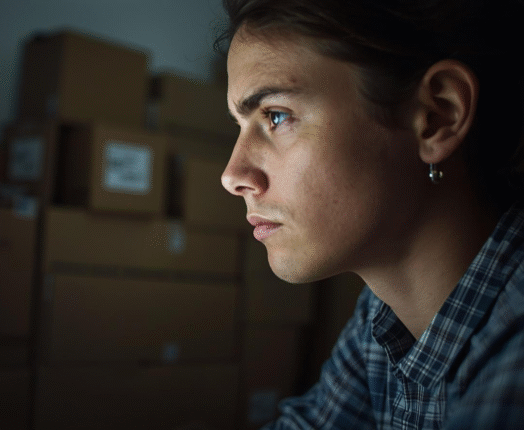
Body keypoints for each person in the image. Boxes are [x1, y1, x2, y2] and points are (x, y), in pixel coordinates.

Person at [217, 0, 524, 428]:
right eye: (240, 126)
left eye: (276, 116)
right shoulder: (383, 319)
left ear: (438, 116)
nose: (232, 176)